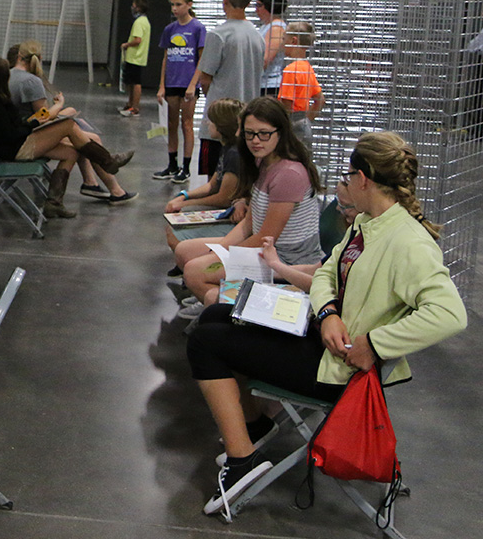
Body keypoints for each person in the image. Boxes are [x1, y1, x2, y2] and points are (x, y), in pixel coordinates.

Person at [186, 131, 467, 517]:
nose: (346, 184)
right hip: (322, 338)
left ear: (364, 179)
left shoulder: (408, 242)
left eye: (349, 176)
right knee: (218, 314)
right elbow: (325, 274)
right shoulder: (367, 222)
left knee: (205, 342)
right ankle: (253, 428)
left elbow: (450, 313)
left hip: (341, 370)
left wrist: (377, 343)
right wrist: (329, 312)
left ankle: (242, 461)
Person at [174, 97, 323, 315]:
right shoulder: (263, 162)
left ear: (280, 133)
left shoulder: (288, 174)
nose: (255, 140)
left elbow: (266, 236)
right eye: (249, 133)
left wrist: (222, 256)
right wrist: (222, 249)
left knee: (195, 271)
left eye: (264, 133)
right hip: (266, 249)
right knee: (184, 251)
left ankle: (215, 301)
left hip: (286, 260)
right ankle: (214, 296)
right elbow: (249, 223)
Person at [0, 57, 137, 213]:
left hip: (15, 142)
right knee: (69, 125)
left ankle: (54, 203)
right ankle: (108, 161)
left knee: (71, 152)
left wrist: (35, 122)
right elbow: (18, 128)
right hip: (15, 148)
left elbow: (15, 125)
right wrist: (38, 122)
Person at [6, 39, 107, 198]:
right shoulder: (31, 81)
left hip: (15, 134)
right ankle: (107, 166)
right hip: (26, 137)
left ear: (19, 56)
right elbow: (42, 117)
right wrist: (58, 106)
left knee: (75, 138)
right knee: (86, 138)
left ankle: (90, 182)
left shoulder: (8, 77)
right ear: (38, 58)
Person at [196, 0, 265, 179]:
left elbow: (205, 78)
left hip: (219, 121)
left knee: (214, 178)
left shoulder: (218, 35)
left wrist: (216, 103)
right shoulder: (257, 36)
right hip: (246, 119)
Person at [164, 98, 245, 269]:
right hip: (231, 212)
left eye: (211, 120)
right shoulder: (227, 149)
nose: (208, 123)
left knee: (175, 233)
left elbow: (223, 198)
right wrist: (184, 195)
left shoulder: (234, 155)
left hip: (233, 217)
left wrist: (186, 203)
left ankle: (189, 266)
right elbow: (212, 185)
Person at [155, 0, 206, 184]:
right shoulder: (170, 29)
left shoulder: (198, 28)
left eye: (179, 4)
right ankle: (172, 164)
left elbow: (201, 59)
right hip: (172, 83)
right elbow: (166, 58)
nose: (175, 9)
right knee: (171, 124)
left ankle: (186, 167)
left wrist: (193, 84)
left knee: (187, 123)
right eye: (173, 5)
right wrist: (162, 86)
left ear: (189, 5)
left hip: (188, 84)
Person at [277, 21, 324, 150]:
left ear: (293, 41)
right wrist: (306, 120)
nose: (281, 43)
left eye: (283, 38)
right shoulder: (307, 68)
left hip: (291, 125)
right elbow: (320, 100)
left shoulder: (290, 70)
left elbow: (286, 105)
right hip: (304, 125)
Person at [119, 0, 151, 116]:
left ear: (138, 8)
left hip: (134, 57)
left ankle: (134, 106)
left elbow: (138, 40)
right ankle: (130, 104)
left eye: (133, 5)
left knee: (135, 82)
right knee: (132, 82)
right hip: (138, 57)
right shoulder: (145, 21)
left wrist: (126, 44)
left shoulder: (138, 22)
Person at [255, 0, 288, 96]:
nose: (256, 9)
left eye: (259, 5)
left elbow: (266, 59)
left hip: (269, 86)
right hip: (261, 84)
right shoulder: (267, 26)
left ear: (269, 6)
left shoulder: (276, 28)